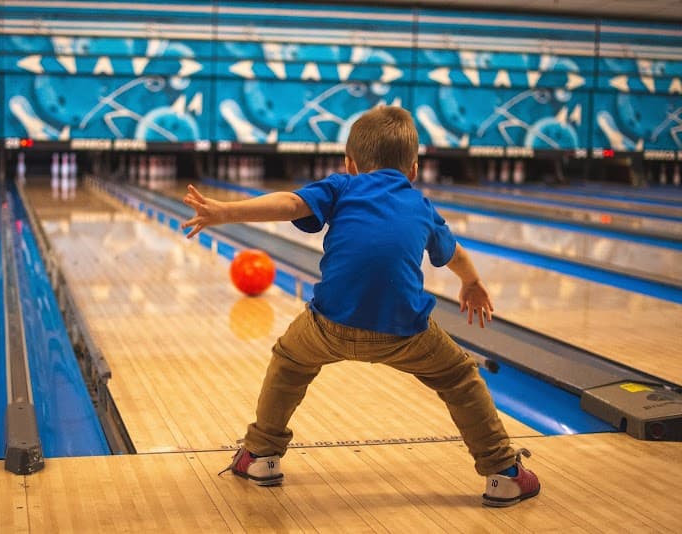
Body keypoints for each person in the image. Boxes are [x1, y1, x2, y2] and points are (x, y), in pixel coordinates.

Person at [181, 105, 540, 507]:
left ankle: (260, 455)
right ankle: (504, 474)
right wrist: (472, 283)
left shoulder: (342, 187)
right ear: (415, 169)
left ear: (349, 164)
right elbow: (453, 254)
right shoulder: (422, 205)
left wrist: (227, 212)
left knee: (290, 362)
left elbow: (289, 204)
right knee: (459, 378)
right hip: (405, 331)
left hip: (329, 324)